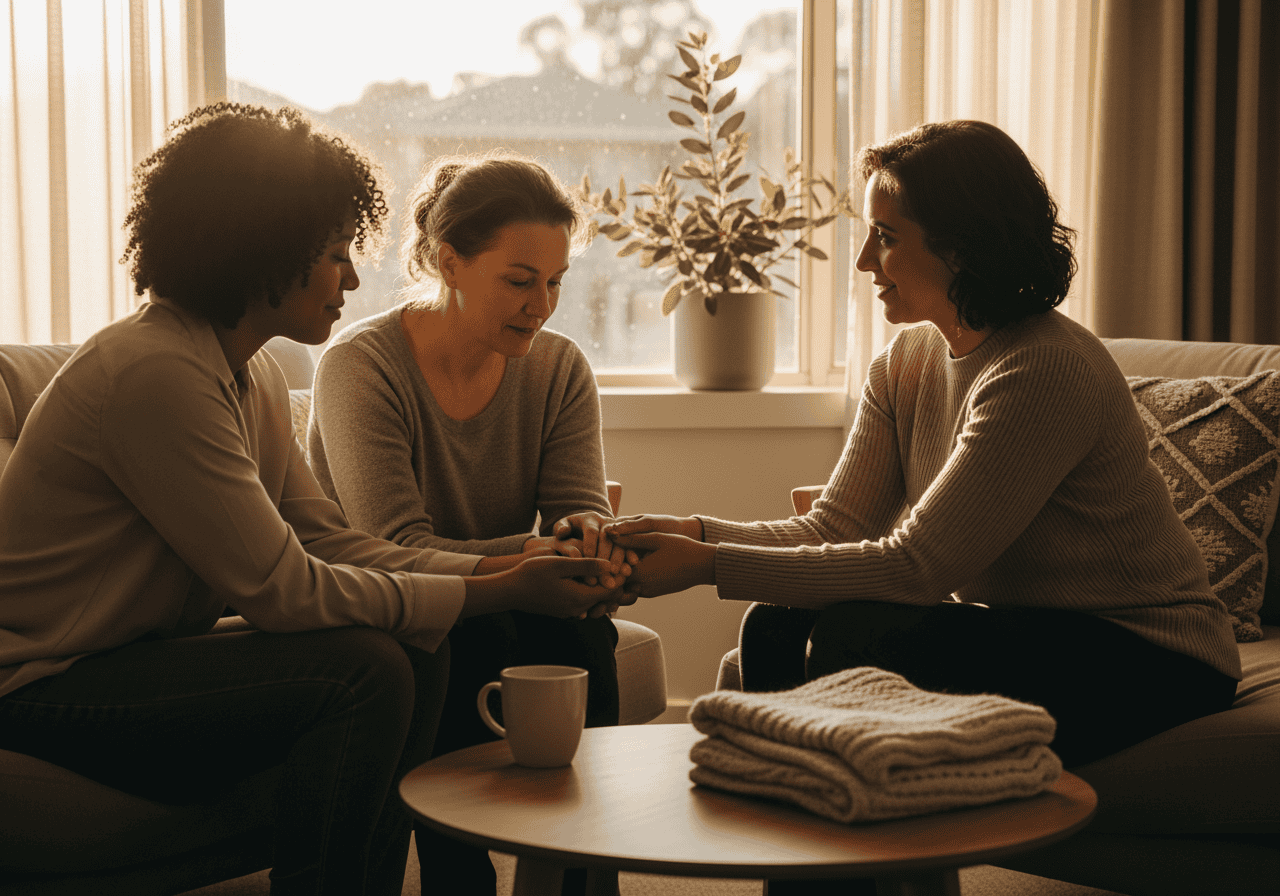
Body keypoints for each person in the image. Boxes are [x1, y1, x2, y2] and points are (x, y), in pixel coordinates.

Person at [600, 119, 1241, 895]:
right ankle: (800, 875)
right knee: (774, 620)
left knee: (856, 632)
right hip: (1032, 631)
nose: (865, 260)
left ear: (962, 246)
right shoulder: (906, 359)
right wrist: (690, 532)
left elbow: (918, 566)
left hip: (1147, 652)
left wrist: (705, 565)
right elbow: (834, 528)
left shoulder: (1042, 369)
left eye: (885, 236)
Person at [0, 104, 620, 896]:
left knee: (412, 654)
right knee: (362, 669)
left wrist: (495, 585)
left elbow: (333, 541)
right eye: (335, 256)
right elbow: (284, 591)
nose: (354, 279)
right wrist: (497, 586)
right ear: (265, 252)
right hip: (42, 687)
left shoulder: (248, 370)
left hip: (130, 661)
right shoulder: (154, 373)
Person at [306, 152, 632, 895]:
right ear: (449, 263)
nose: (541, 305)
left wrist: (591, 548)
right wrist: (531, 559)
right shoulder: (362, 366)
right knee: (470, 632)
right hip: (391, 611)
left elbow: (580, 504)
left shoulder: (558, 369)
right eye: (520, 282)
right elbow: (394, 550)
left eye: (554, 283)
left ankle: (585, 874)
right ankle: (461, 880)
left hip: (504, 596)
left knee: (583, 631)